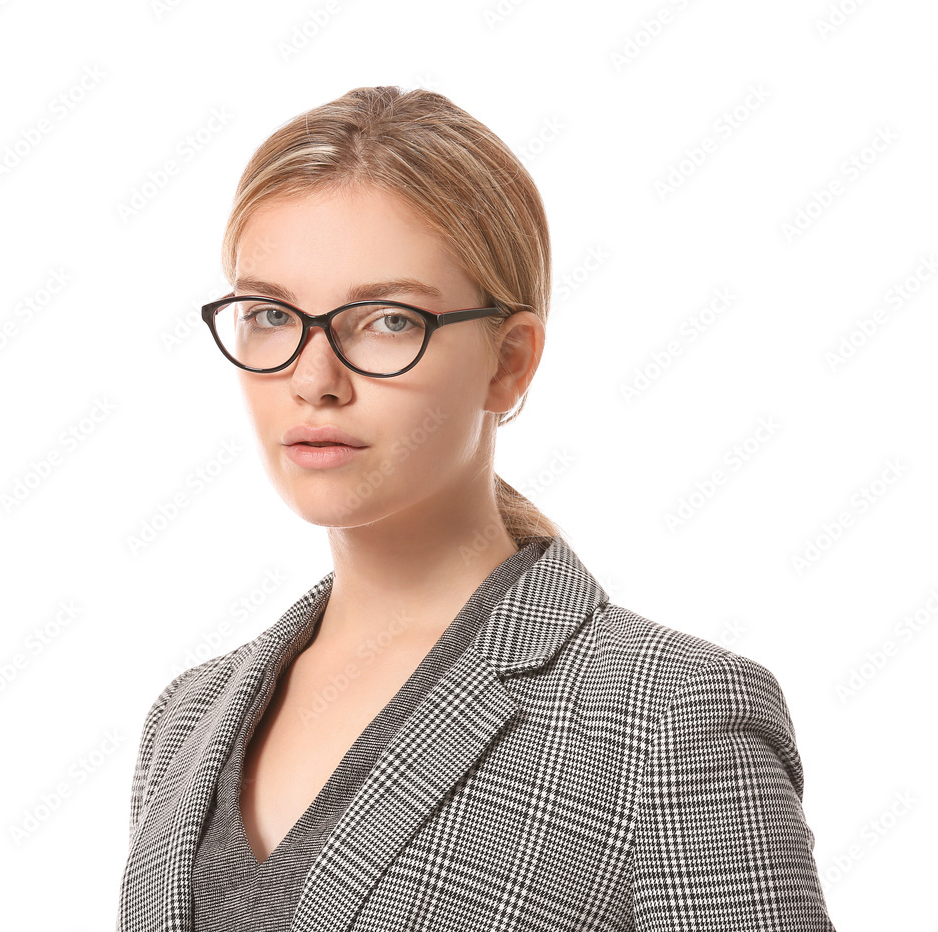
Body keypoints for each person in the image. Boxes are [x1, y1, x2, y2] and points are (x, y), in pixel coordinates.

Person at [115, 85, 836, 931]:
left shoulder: (666, 718)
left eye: (386, 320)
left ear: (510, 361)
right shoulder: (187, 719)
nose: (313, 379)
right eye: (272, 315)